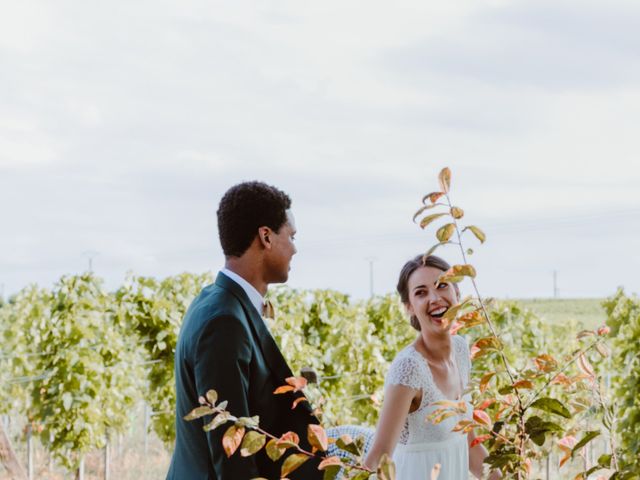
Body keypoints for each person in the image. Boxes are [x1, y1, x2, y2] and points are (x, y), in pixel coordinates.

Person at [167, 181, 322, 480]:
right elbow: (233, 452)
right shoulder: (224, 321)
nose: (295, 248)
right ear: (265, 236)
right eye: (290, 236)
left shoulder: (215, 302)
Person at [363, 254, 500, 480]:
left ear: (457, 293)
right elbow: (378, 457)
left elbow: (469, 444)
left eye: (442, 285)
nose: (435, 298)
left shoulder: (461, 350)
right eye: (421, 292)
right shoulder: (409, 368)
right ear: (409, 307)